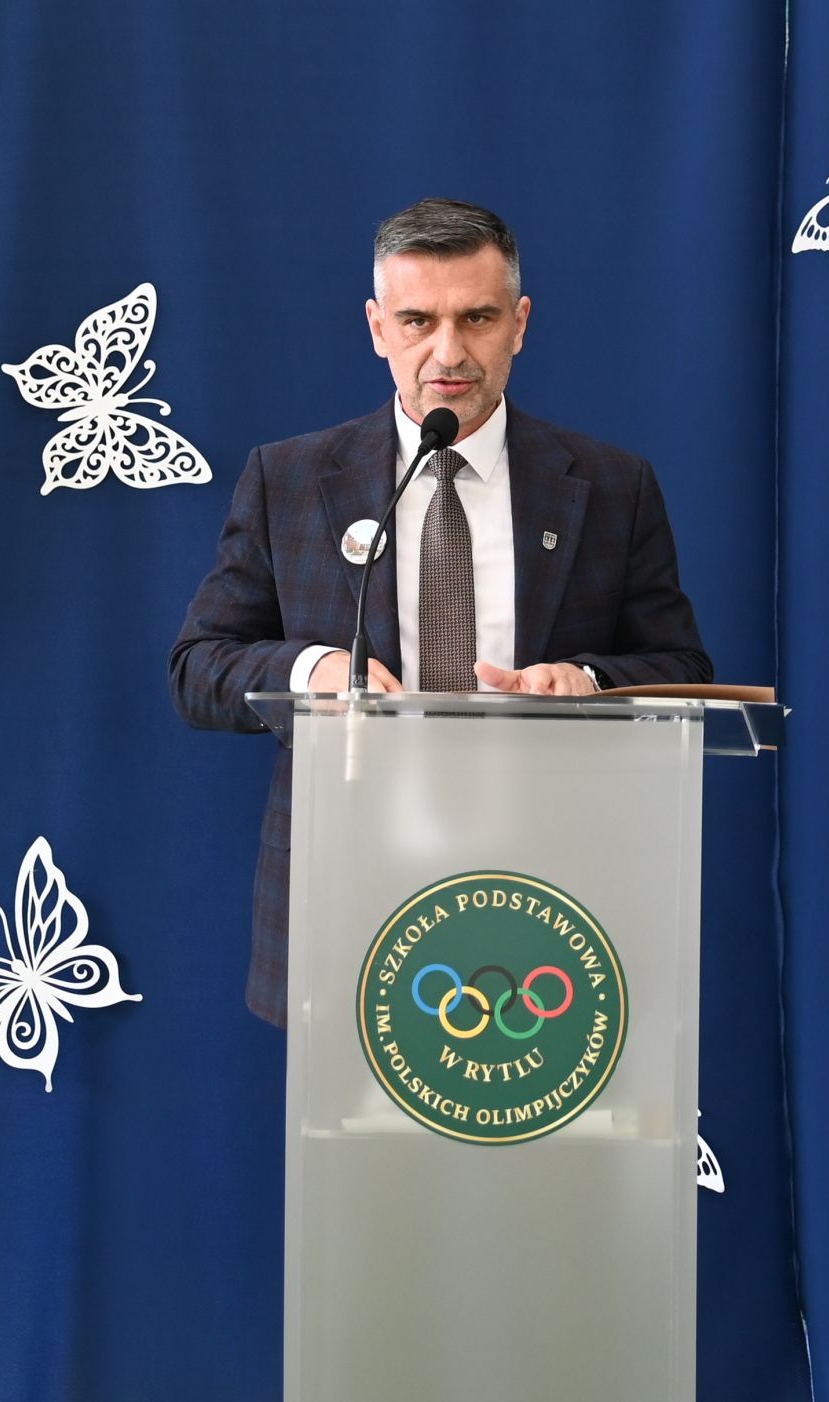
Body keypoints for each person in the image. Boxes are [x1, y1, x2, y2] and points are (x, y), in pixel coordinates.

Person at [169, 197, 711, 1026]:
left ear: (519, 324)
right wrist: (313, 670)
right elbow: (198, 667)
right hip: (349, 881)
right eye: (418, 321)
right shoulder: (290, 480)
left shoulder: (610, 487)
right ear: (377, 327)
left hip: (551, 889)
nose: (448, 352)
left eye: (478, 318)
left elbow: (681, 667)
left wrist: (588, 682)